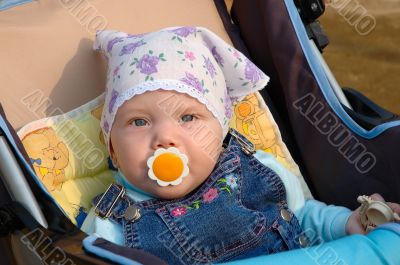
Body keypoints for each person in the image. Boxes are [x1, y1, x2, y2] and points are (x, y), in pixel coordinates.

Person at [81, 26, 400, 265]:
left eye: (189, 117)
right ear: (111, 147)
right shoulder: (112, 224)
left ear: (220, 133)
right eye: (139, 122)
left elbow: (302, 216)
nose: (165, 137)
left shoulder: (259, 169)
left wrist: (347, 224)